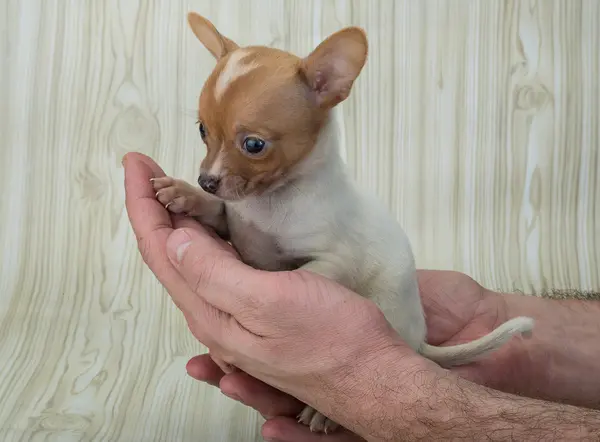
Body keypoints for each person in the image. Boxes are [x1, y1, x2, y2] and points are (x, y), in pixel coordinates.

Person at [123, 152, 600, 441]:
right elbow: (244, 224)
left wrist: (388, 389)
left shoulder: (317, 198)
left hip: (389, 312)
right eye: (206, 132)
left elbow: (337, 265)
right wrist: (206, 206)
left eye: (251, 146)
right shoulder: (272, 188)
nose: (211, 167)